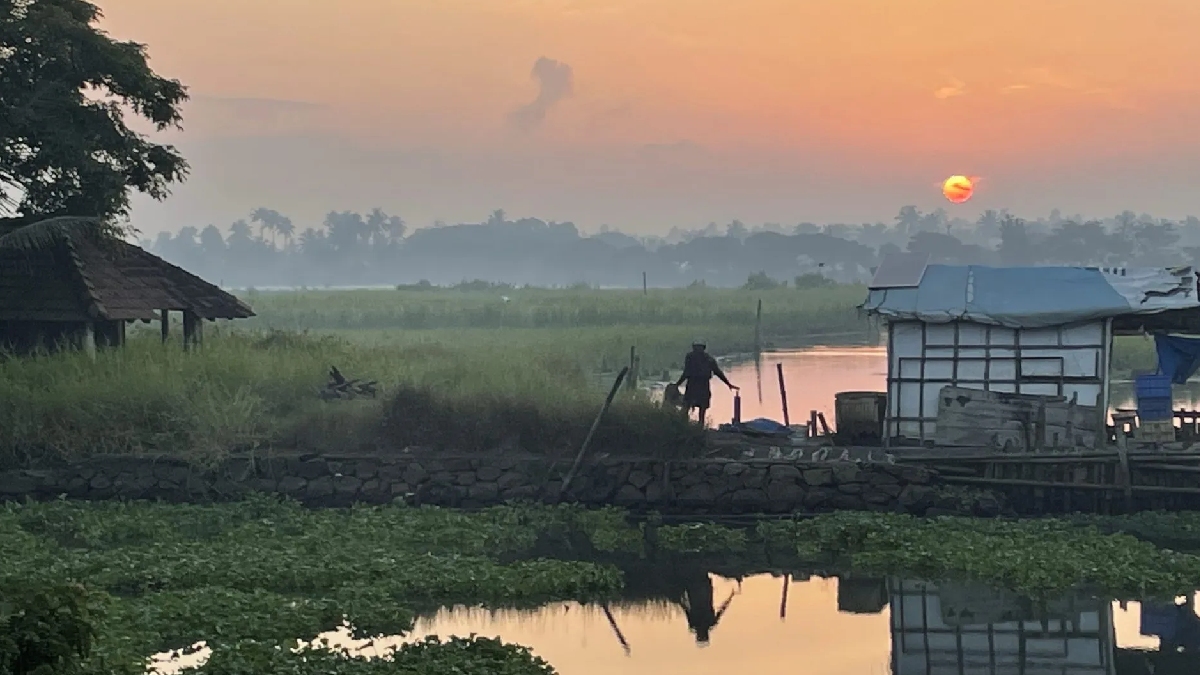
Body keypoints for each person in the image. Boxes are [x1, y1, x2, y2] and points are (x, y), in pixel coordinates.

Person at [674, 339, 737, 426]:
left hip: (698, 385)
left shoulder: (699, 358)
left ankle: (689, 427)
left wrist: (728, 384)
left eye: (698, 348)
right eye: (696, 348)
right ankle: (690, 427)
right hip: (697, 385)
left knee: (694, 408)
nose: (697, 350)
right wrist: (677, 384)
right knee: (692, 408)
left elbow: (717, 372)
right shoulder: (704, 359)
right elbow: (687, 372)